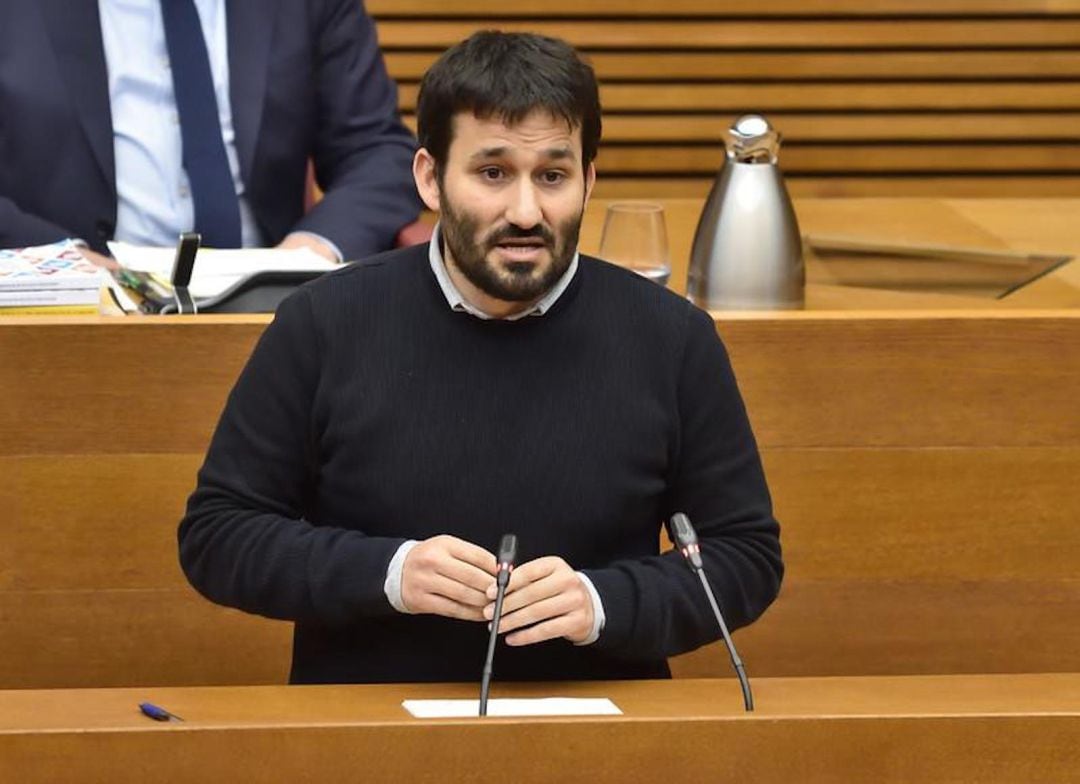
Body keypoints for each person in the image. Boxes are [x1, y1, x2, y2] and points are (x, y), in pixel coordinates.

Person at [178, 31, 783, 684]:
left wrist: (603, 603)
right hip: (368, 731)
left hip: (603, 735)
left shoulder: (673, 339)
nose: (525, 211)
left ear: (588, 180)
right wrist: (389, 574)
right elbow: (218, 536)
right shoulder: (323, 322)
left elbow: (744, 555)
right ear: (430, 179)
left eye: (552, 176)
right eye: (493, 173)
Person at [0, 0, 421, 263]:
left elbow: (377, 151)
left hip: (272, 316)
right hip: (68, 315)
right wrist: (63, 263)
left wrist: (311, 250)